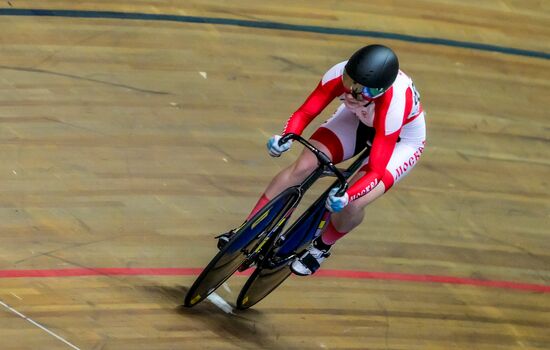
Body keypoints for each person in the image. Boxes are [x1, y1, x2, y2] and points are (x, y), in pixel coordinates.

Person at [219, 44, 426, 276]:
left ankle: (322, 247)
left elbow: (376, 170)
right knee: (305, 165)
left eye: (359, 89)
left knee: (354, 203)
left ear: (377, 91)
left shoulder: (394, 105)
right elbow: (306, 112)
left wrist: (349, 194)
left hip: (400, 140)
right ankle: (248, 228)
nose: (350, 90)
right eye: (349, 80)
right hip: (358, 118)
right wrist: (286, 136)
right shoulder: (339, 74)